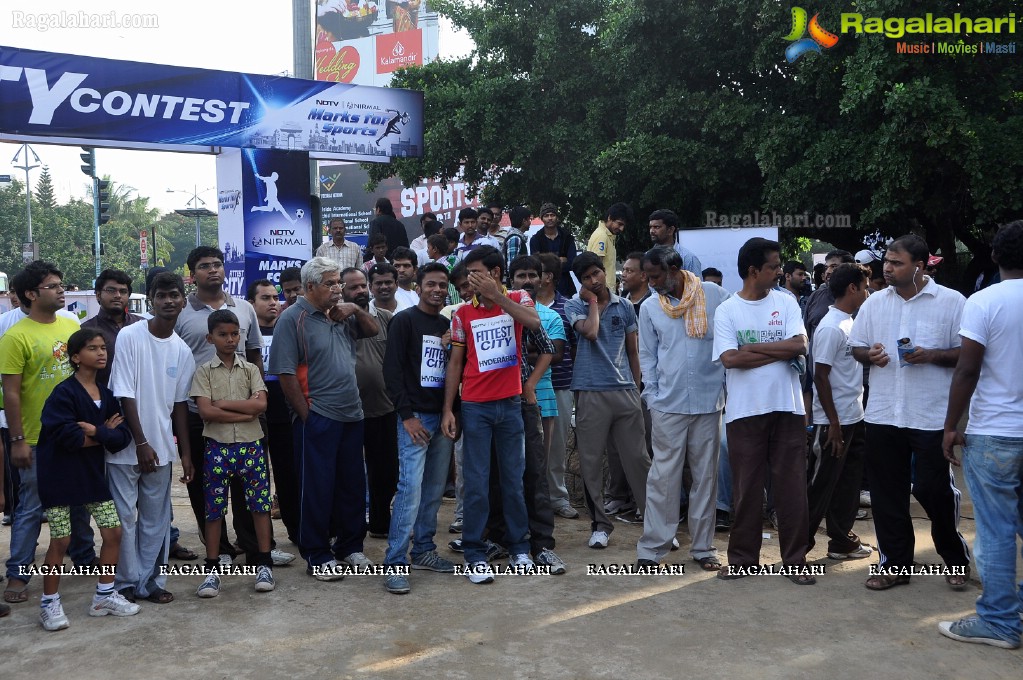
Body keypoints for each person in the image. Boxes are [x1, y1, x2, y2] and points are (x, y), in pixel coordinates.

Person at [849, 234, 970, 591]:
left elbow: (967, 354)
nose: (886, 268)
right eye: (886, 262)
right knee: (888, 495)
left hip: (930, 415)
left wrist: (932, 355)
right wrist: (868, 355)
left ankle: (954, 558)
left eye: (896, 262)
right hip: (884, 413)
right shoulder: (874, 304)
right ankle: (895, 566)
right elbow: (856, 346)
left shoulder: (951, 302)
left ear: (919, 266)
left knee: (934, 491)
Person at [939, 220, 1023, 649]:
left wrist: (951, 426)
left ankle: (1000, 622)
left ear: (994, 256)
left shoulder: (984, 302)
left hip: (997, 433)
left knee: (995, 529)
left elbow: (967, 368)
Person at [175, 247, 287, 567]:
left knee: (250, 485)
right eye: (204, 266)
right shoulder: (182, 313)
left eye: (217, 264)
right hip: (199, 415)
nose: (213, 270)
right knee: (207, 488)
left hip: (247, 414)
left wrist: (257, 402)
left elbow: (254, 357)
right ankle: (220, 550)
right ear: (192, 273)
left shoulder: (244, 309)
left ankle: (255, 549)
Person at [269, 257, 380, 581]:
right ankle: (317, 554)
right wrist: (307, 415)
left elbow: (372, 331)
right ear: (310, 287)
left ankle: (349, 546)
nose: (337, 289)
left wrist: (356, 309)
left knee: (352, 485)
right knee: (316, 489)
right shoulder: (293, 319)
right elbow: (284, 372)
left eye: (338, 283)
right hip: (319, 416)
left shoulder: (343, 312)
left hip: (352, 414)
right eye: (330, 284)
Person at [712, 238, 814, 585]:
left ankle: (796, 561)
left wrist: (753, 346)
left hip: (788, 407)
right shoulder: (727, 310)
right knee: (746, 488)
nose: (779, 271)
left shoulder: (785, 302)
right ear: (753, 271)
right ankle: (743, 560)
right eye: (773, 266)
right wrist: (779, 350)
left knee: (792, 488)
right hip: (744, 412)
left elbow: (800, 345)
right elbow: (730, 359)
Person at [441, 246, 541, 584]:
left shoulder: (518, 298)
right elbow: (455, 362)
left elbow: (534, 322)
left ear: (495, 273)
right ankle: (474, 552)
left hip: (510, 404)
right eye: (468, 274)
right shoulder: (462, 314)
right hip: (475, 406)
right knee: (477, 483)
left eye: (477, 272)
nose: (470, 280)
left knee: (514, 480)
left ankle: (519, 548)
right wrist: (448, 409)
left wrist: (497, 298)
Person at [36, 329, 139, 630]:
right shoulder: (63, 394)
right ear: (75, 357)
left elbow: (121, 437)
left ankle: (104, 595)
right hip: (59, 478)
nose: (101, 352)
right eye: (93, 348)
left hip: (91, 477)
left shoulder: (106, 395)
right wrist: (103, 434)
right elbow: (67, 439)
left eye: (103, 347)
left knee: (113, 533)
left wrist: (95, 432)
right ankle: (49, 602)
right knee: (60, 540)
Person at [1, 262, 90, 606]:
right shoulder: (15, 336)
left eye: (60, 283)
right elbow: (10, 393)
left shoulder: (71, 325)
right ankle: (18, 573)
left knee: (81, 503)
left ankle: (84, 559)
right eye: (53, 285)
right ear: (30, 294)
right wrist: (17, 440)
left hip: (76, 435)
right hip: (37, 440)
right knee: (29, 509)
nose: (61, 289)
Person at [636, 246, 728, 570]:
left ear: (674, 269)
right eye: (648, 276)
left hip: (708, 402)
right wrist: (653, 396)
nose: (651, 282)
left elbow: (729, 339)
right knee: (663, 478)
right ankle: (652, 549)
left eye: (656, 275)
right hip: (668, 405)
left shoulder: (715, 295)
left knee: (706, 478)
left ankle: (703, 548)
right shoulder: (649, 307)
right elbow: (647, 355)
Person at [107, 271, 195, 604]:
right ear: (151, 300)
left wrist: (184, 452)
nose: (169, 301)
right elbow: (124, 393)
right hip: (128, 448)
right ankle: (125, 582)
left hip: (161, 449)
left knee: (156, 521)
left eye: (175, 295)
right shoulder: (130, 336)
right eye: (162, 295)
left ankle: (150, 582)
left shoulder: (182, 350)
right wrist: (141, 443)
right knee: (125, 518)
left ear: (183, 301)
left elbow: (180, 407)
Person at [381, 262, 458, 594]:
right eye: (431, 284)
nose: (437, 290)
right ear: (419, 287)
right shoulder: (404, 321)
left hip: (443, 418)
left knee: (433, 491)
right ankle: (395, 562)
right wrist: (407, 416)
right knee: (410, 490)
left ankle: (424, 550)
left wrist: (450, 413)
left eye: (443, 285)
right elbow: (392, 372)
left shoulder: (447, 325)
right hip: (414, 419)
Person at [566, 251, 650, 549]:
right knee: (590, 462)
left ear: (604, 271)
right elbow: (590, 332)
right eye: (586, 277)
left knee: (638, 458)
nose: (594, 280)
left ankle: (654, 526)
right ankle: (601, 525)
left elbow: (633, 351)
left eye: (596, 273)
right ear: (580, 282)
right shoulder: (575, 304)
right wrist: (591, 302)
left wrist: (636, 387)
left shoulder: (625, 306)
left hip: (625, 391)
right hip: (589, 391)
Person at [190, 310, 275, 597]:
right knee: (214, 509)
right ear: (210, 337)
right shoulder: (203, 371)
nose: (230, 339)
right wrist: (243, 411)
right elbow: (205, 411)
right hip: (217, 448)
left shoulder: (251, 369)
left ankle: (264, 564)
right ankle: (212, 569)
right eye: (223, 334)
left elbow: (260, 406)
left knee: (260, 506)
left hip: (251, 445)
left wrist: (223, 404)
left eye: (234, 333)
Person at [806, 263, 873, 561]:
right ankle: (798, 548)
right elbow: (820, 376)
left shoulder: (850, 322)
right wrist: (832, 424)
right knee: (819, 486)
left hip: (853, 417)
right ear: (852, 289)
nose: (868, 292)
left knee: (847, 484)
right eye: (865, 286)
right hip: (833, 422)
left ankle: (841, 541)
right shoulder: (831, 326)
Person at [507, 255, 567, 574]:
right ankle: (503, 541)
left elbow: (548, 349)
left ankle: (542, 545)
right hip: (489, 404)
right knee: (497, 475)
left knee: (535, 472)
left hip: (524, 402)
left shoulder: (532, 314)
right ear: (508, 279)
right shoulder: (487, 308)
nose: (527, 280)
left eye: (533, 275)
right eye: (520, 275)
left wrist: (529, 383)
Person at [341, 267, 398, 539]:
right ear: (340, 290)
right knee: (350, 472)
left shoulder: (386, 318)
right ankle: (349, 527)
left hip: (383, 408)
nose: (360, 291)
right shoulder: (333, 321)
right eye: (353, 287)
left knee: (385, 472)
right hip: (346, 411)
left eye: (362, 285)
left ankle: (379, 522)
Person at [246, 279, 300, 544]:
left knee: (288, 475)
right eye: (265, 298)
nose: (273, 303)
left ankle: (297, 531)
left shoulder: (289, 330)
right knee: (257, 478)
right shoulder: (243, 338)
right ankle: (262, 540)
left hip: (285, 415)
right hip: (253, 417)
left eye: (274, 297)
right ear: (251, 304)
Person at [82, 269, 145, 387]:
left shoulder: (142, 325)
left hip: (141, 399)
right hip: (103, 400)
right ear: (98, 295)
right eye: (111, 290)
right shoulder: (87, 330)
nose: (117, 295)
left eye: (123, 291)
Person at [529, 202, 577, 296]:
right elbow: (537, 266)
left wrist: (548, 263)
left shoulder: (567, 237)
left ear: (557, 217)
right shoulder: (536, 239)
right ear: (542, 218)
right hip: (543, 287)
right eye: (546, 215)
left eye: (552, 215)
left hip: (565, 287)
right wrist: (560, 261)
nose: (550, 218)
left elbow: (572, 263)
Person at [647, 209, 702, 276]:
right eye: (650, 227)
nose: (651, 231)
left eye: (656, 227)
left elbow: (696, 286)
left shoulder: (688, 258)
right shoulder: (646, 257)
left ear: (670, 230)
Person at [587, 203, 633, 283]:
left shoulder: (608, 236)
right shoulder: (602, 236)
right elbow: (595, 268)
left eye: (623, 226)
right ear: (609, 218)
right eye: (619, 224)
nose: (621, 229)